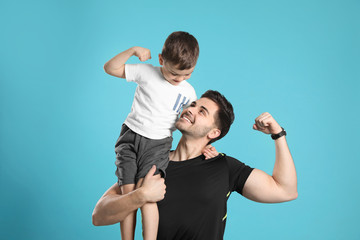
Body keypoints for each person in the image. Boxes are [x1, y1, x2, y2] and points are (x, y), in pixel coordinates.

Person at [92, 90, 298, 240]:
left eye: (202, 111)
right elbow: (99, 215)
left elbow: (285, 190)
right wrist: (140, 196)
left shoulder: (223, 166)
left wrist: (278, 135)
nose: (191, 110)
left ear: (214, 133)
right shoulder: (152, 164)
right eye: (192, 105)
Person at [103, 31, 216, 240]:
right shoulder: (146, 72)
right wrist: (132, 50)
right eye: (175, 74)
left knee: (148, 196)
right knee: (128, 195)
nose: (180, 79)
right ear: (161, 59)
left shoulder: (189, 93)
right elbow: (110, 68)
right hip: (130, 137)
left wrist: (203, 147)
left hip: (158, 145)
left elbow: (189, 125)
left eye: (187, 75)